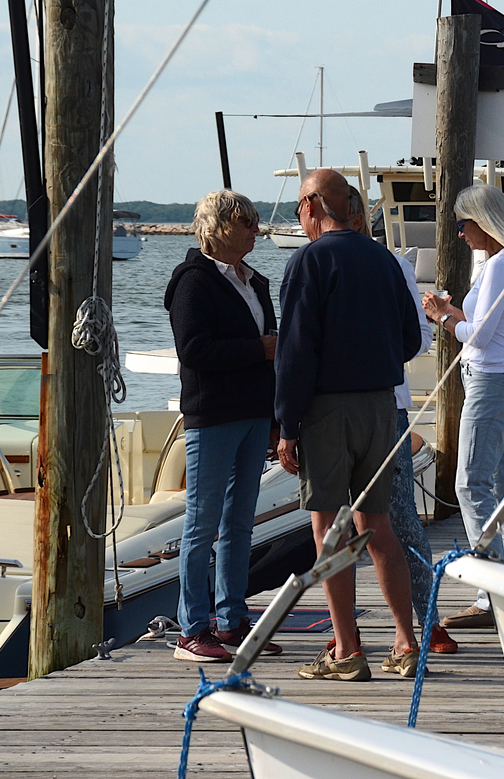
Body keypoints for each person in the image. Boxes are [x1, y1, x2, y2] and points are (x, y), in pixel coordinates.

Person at [275, 169, 421, 682]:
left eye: (299, 205)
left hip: (326, 409)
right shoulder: (383, 259)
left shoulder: (308, 262)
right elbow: (410, 340)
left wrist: (287, 425)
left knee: (330, 531)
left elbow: (295, 352)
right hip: (381, 405)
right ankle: (405, 642)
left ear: (315, 205)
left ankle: (347, 649)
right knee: (378, 526)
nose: (298, 215)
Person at [165, 190, 282, 663]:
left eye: (255, 221)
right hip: (212, 415)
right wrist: (260, 349)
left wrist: (276, 418)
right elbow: (193, 351)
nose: (256, 230)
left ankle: (231, 620)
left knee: (239, 523)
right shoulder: (192, 282)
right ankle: (192, 628)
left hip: (254, 414)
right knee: (202, 524)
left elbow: (272, 351)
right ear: (218, 228)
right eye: (246, 222)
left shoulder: (255, 282)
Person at [422, 183, 504, 629]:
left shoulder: (499, 265)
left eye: (462, 224)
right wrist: (456, 314)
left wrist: (442, 316)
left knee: (471, 485)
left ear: (482, 222)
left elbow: (479, 335)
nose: (459, 234)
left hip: (489, 379)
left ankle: (489, 590)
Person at [345, 186, 457, 659]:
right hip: (360, 406)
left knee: (396, 518)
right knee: (342, 523)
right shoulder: (376, 265)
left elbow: (415, 336)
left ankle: (423, 622)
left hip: (377, 406)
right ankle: (346, 629)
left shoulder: (391, 266)